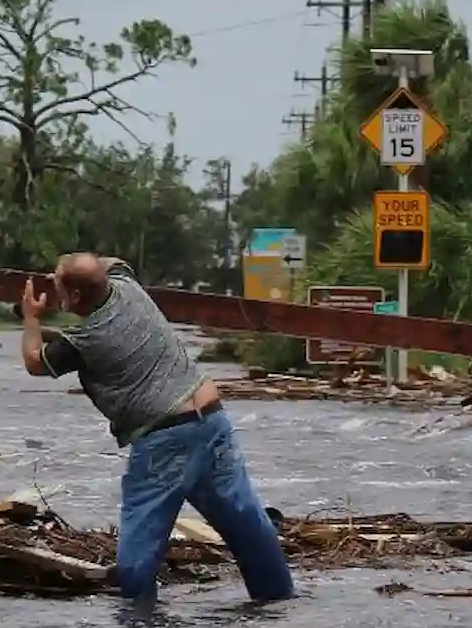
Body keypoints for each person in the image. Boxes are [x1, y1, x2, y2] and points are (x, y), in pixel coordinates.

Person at [19, 252, 294, 607]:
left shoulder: (86, 339)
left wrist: (31, 318)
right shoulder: (127, 285)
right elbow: (112, 260)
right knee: (247, 524)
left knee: (139, 550)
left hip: (165, 437)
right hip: (210, 418)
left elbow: (34, 361)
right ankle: (279, 603)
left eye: (59, 285)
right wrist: (73, 273)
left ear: (73, 297)